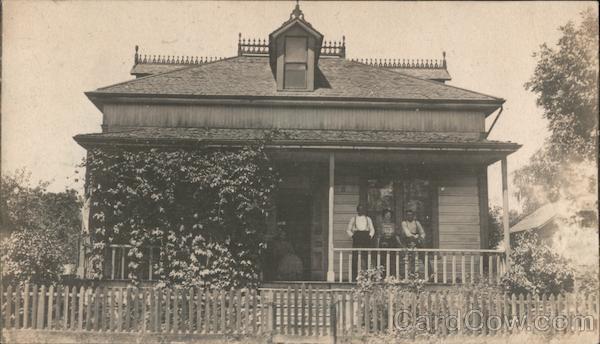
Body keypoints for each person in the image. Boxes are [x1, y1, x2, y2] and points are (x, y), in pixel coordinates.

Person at [346, 204, 374, 279]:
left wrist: (370, 236)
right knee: (355, 257)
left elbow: (372, 229)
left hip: (365, 237)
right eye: (359, 209)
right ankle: (354, 276)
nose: (361, 211)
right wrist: (352, 236)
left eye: (362, 209)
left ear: (364, 210)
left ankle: (367, 275)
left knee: (366, 256)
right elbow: (348, 230)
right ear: (357, 210)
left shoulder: (368, 219)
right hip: (357, 237)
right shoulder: (353, 219)